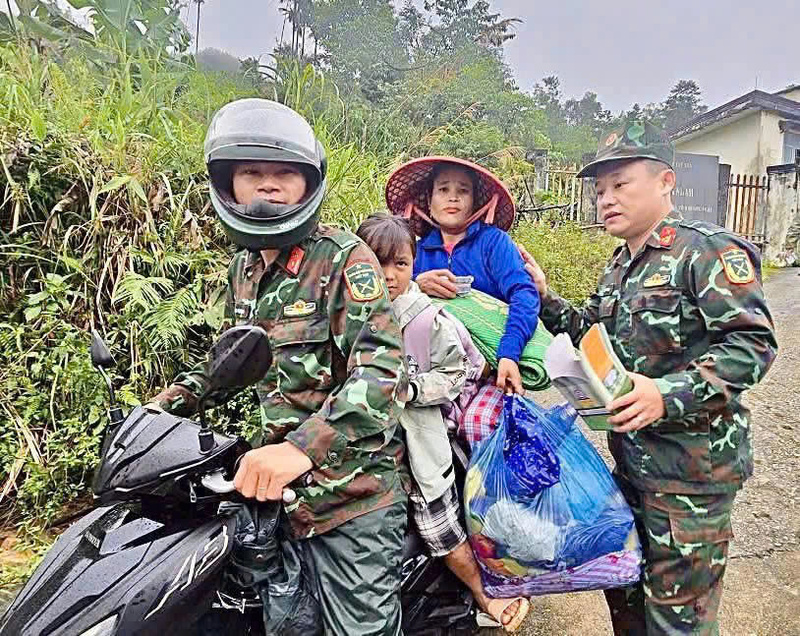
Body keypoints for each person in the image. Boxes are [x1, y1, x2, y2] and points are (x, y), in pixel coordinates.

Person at [149, 98, 409, 635]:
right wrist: (162, 410)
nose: (268, 185)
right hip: (276, 495)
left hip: (350, 498)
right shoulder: (243, 270)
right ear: (228, 184)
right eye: (251, 172)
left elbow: (383, 371)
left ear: (308, 184)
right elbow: (229, 360)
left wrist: (299, 449)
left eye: (284, 173)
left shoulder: (342, 258)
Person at [520, 121, 778, 635]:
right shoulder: (620, 266)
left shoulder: (704, 252)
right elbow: (591, 333)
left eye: (620, 184)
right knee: (628, 601)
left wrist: (666, 394)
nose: (606, 199)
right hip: (633, 469)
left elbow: (753, 344)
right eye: (600, 190)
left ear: (665, 182)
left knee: (678, 618)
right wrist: (545, 297)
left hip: (690, 477)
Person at [355, 213, 530, 633]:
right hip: (362, 443)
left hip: (420, 436)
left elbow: (457, 373)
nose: (389, 275)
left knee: (439, 521)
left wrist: (411, 389)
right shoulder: (344, 314)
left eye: (400, 263)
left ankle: (485, 592)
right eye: (378, 262)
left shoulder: (425, 319)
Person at [385, 157, 539, 394]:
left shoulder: (494, 243)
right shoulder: (414, 252)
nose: (453, 197)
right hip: (429, 372)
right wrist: (415, 285)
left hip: (490, 369)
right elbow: (387, 298)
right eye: (443, 189)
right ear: (428, 200)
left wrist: (509, 354)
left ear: (475, 202)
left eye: (463, 191)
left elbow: (524, 294)